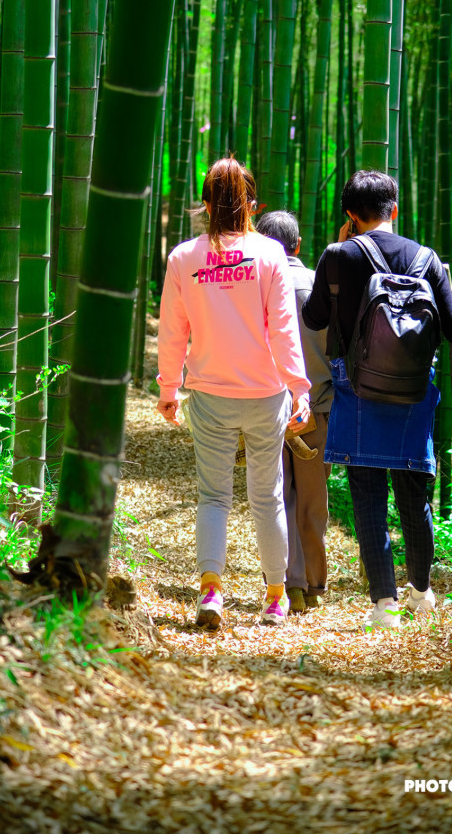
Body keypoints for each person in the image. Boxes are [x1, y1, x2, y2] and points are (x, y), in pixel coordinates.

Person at [302, 170, 452, 630]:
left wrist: (335, 260)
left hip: (356, 385)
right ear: (395, 210)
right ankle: (421, 590)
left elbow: (313, 316)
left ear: (351, 216)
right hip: (414, 389)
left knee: (368, 495)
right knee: (415, 493)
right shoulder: (426, 258)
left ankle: (383, 605)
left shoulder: (338, 255)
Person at [156, 158, 311, 630]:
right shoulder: (269, 256)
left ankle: (211, 592)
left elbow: (171, 332)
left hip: (210, 395)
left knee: (213, 497)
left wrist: (168, 388)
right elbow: (285, 331)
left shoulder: (183, 258)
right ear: (251, 204)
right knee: (267, 496)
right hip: (266, 396)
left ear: (204, 206)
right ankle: (275, 597)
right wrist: (298, 389)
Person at [255, 210, 333, 614]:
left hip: (266, 407)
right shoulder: (321, 285)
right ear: (298, 245)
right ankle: (310, 584)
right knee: (312, 498)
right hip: (317, 406)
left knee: (275, 495)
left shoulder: (253, 285)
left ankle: (283, 583)